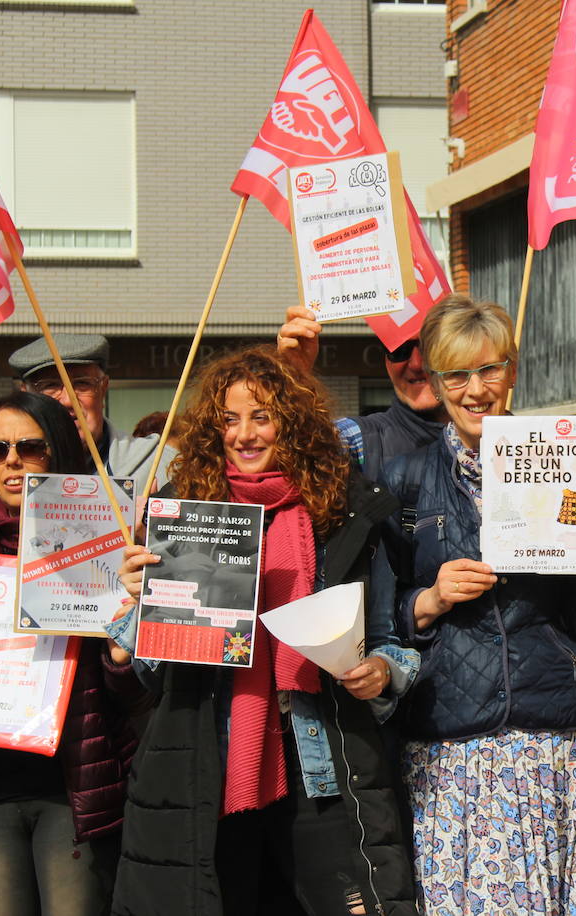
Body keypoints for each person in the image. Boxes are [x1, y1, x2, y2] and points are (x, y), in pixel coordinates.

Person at [111, 346, 419, 916]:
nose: (245, 434)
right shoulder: (185, 513)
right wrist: (137, 605)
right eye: (229, 419)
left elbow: (386, 638)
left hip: (320, 761)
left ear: (292, 423)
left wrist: (382, 671)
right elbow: (152, 674)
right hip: (210, 762)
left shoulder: (343, 514)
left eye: (261, 416)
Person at [379, 294, 576, 915]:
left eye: (489, 369)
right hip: (456, 749)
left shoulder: (563, 462)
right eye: (457, 374)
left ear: (513, 370)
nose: (475, 389)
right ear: (436, 383)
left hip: (558, 739)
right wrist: (431, 598)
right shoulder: (405, 481)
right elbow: (383, 619)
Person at [0, 391, 145, 916]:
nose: (12, 461)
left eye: (29, 446)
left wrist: (118, 649)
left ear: (58, 450)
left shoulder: (102, 544)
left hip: (71, 792)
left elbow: (130, 694)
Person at [0, 334, 175, 532]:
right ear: (25, 394)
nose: (68, 400)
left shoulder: (159, 465)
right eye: (50, 386)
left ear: (104, 387)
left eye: (82, 384)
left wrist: (152, 541)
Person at [278, 306, 447, 480]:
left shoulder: (476, 437)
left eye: (428, 348)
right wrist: (294, 380)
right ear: (387, 363)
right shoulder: (358, 439)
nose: (416, 364)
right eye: (400, 351)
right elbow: (294, 459)